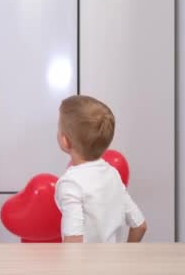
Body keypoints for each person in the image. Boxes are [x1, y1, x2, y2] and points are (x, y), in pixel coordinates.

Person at [55, 95, 147, 243]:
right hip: (113, 266)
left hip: (82, 266)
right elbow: (140, 226)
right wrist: (128, 257)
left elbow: (74, 241)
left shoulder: (70, 183)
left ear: (65, 141)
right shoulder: (113, 174)